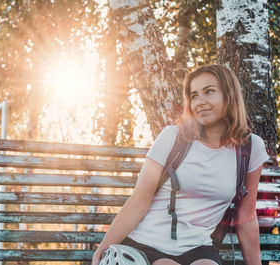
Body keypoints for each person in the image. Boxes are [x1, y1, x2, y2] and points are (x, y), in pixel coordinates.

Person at [92, 64, 270, 265]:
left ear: (229, 96)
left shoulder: (250, 148)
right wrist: (102, 250)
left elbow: (246, 215)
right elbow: (139, 201)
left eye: (209, 92)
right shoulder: (172, 137)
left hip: (199, 247)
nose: (200, 101)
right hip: (146, 244)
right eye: (194, 95)